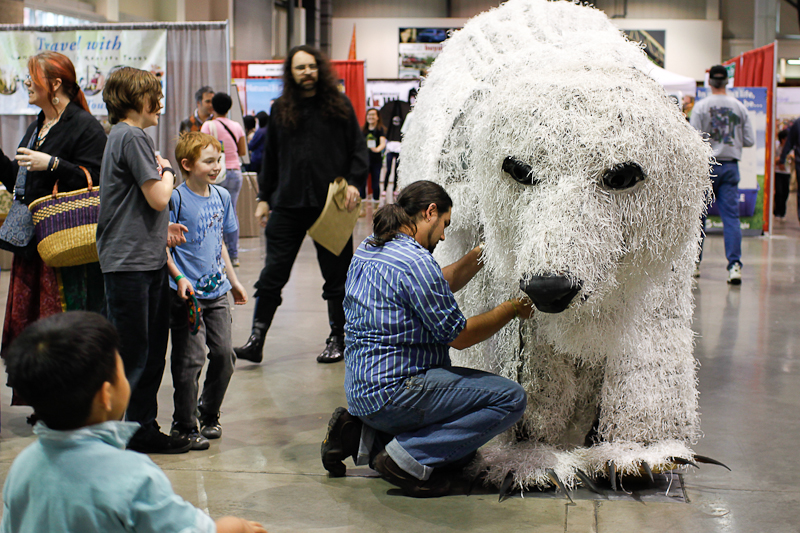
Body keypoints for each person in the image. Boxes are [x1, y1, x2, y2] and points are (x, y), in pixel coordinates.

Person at [321, 181, 532, 498]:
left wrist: (482, 254)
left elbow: (436, 283)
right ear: (430, 212)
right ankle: (405, 460)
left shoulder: (370, 247)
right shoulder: (416, 262)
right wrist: (512, 308)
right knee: (510, 399)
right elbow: (460, 337)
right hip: (395, 392)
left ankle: (361, 435)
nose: (444, 235)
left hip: (362, 392)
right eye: (444, 224)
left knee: (460, 454)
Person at [1, 311, 267, 533]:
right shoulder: (132, 475)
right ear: (106, 395)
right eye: (120, 370)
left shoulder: (23, 467)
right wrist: (237, 526)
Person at [235, 45, 368, 365]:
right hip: (288, 203)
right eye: (300, 68)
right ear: (291, 73)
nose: (307, 72)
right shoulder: (282, 108)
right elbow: (272, 157)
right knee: (272, 274)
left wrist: (353, 182)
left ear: (319, 69)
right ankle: (256, 338)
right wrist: (264, 197)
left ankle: (339, 337)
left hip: (331, 206)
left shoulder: (339, 105)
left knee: (337, 278)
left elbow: (358, 148)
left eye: (311, 66)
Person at [0, 51, 107, 410]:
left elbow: (97, 182)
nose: (27, 83)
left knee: (63, 329)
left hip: (67, 251)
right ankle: (47, 401)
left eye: (33, 77)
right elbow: (23, 183)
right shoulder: (38, 125)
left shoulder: (84, 126)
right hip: (35, 247)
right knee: (34, 330)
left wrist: (55, 163)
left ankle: (71, 402)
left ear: (55, 84)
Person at [98, 67, 190, 454]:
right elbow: (158, 197)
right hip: (130, 265)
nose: (161, 104)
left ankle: (141, 428)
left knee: (149, 352)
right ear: (136, 99)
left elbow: (137, 204)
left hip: (141, 260)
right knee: (137, 355)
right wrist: (168, 170)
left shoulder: (124, 136)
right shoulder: (132, 135)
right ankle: (131, 434)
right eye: (154, 95)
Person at [167, 132, 248, 450]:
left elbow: (221, 244)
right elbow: (165, 248)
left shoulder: (222, 197)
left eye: (219, 160)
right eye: (209, 161)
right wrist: (178, 278)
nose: (217, 167)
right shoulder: (175, 198)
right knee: (190, 359)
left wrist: (234, 280)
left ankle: (209, 413)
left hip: (217, 292)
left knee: (225, 355)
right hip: (186, 294)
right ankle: (183, 424)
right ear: (187, 165)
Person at [690, 65, 754, 284]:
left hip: (706, 168)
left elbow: (693, 140)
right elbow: (749, 140)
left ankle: (694, 264)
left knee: (699, 219)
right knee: (731, 219)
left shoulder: (701, 107)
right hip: (729, 166)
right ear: (727, 82)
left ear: (709, 82)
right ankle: (734, 266)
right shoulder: (739, 107)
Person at [201, 92, 247, 267]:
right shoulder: (236, 126)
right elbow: (242, 151)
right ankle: (233, 255)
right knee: (231, 212)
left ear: (213, 106)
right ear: (230, 107)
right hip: (235, 172)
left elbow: (202, 149)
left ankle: (216, 253)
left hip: (215, 172)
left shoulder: (208, 126)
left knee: (213, 214)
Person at [362, 108, 386, 202]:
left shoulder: (380, 130)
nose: (371, 117)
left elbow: (382, 143)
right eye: (369, 114)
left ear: (377, 117)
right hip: (364, 160)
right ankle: (362, 201)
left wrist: (376, 149)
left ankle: (376, 202)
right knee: (362, 183)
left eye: (373, 115)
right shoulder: (363, 130)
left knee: (375, 182)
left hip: (376, 160)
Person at [774, 129, 792, 220]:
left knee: (785, 193)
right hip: (778, 172)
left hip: (787, 172)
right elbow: (773, 160)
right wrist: (781, 158)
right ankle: (777, 212)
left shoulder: (790, 149)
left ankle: (783, 212)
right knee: (779, 192)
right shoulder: (777, 148)